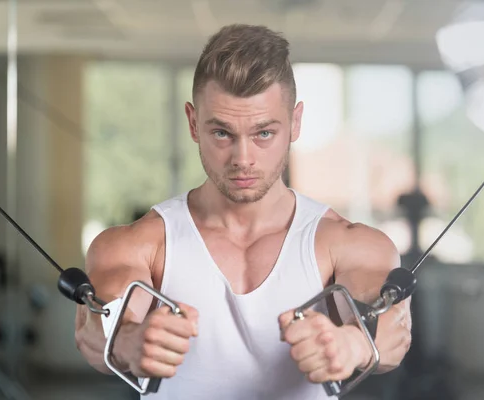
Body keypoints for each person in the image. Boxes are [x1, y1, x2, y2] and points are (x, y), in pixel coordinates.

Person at [74, 24, 412, 399]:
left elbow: (393, 331)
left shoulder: (344, 244)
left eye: (263, 133)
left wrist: (352, 346)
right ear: (192, 123)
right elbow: (93, 331)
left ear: (295, 123)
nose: (243, 159)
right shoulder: (142, 244)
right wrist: (129, 343)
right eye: (222, 134)